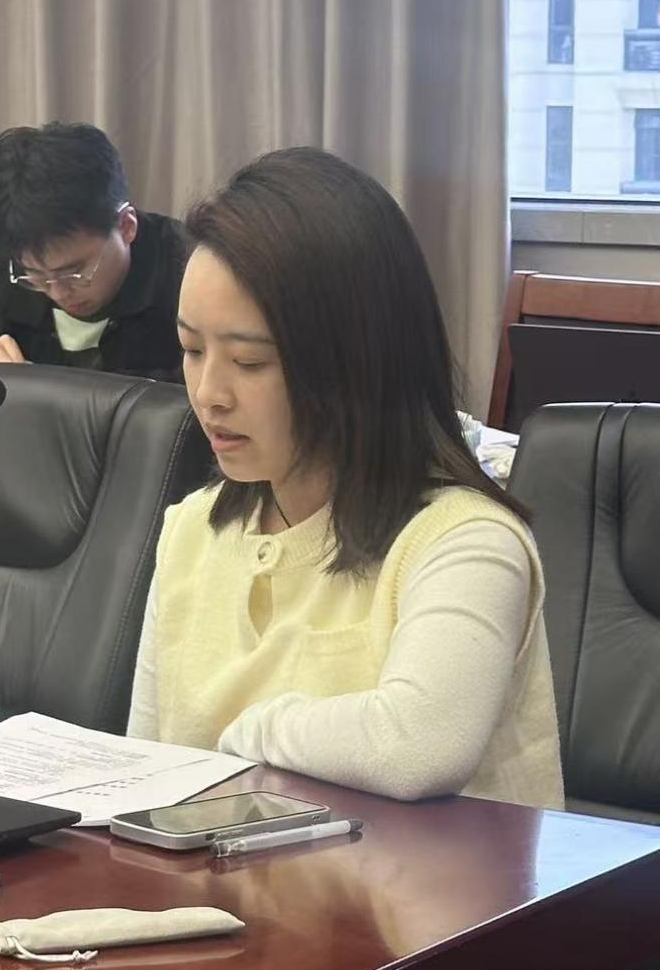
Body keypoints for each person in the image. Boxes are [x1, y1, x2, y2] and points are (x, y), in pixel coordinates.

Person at [127, 147, 564, 810]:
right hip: (225, 879)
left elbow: (421, 744)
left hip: (438, 882)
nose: (209, 393)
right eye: (191, 350)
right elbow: (142, 776)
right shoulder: (190, 530)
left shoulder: (465, 541)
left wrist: (252, 733)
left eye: (249, 362)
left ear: (352, 362)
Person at [0, 122, 188, 380]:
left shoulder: (187, 274)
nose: (59, 292)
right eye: (37, 276)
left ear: (126, 226)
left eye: (75, 272)